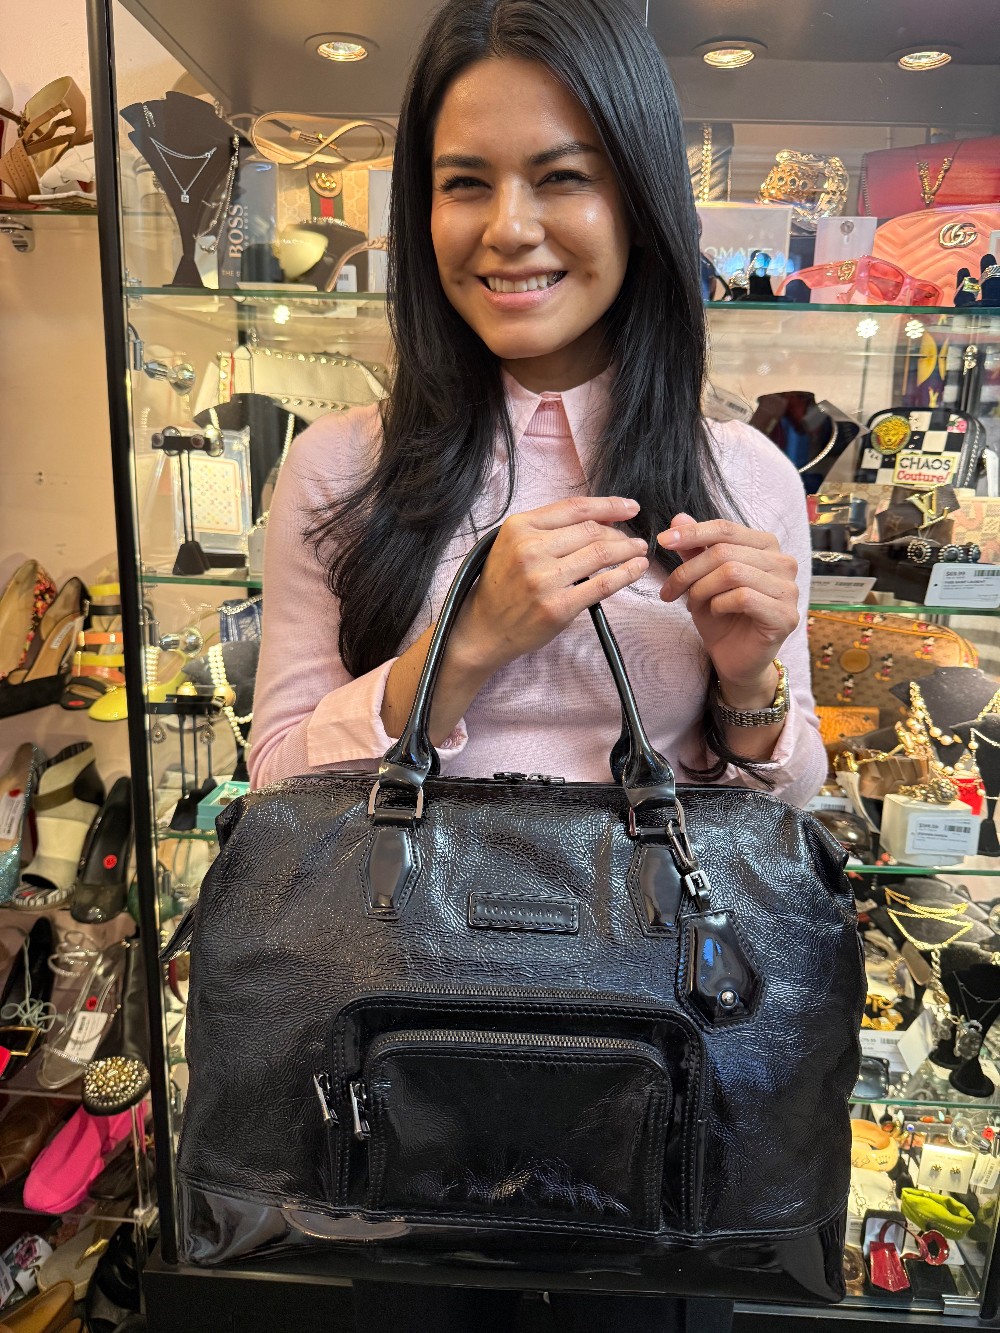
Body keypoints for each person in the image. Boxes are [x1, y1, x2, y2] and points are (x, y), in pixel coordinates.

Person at [249, 0, 827, 1326]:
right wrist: (459, 654)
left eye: (561, 176)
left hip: (662, 1082)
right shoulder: (339, 469)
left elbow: (788, 807)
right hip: (398, 1073)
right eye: (465, 183)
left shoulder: (741, 477)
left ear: (639, 199)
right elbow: (275, 785)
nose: (509, 227)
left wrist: (749, 685)